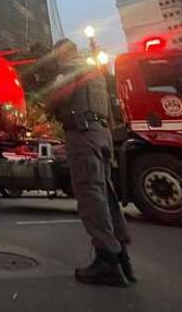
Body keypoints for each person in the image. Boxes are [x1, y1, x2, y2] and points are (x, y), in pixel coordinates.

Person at [45, 38, 134, 287]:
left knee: (90, 196)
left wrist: (47, 103)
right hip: (102, 134)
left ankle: (108, 261)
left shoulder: (69, 68)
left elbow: (57, 98)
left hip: (83, 135)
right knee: (107, 195)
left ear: (62, 53)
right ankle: (122, 257)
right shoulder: (95, 73)